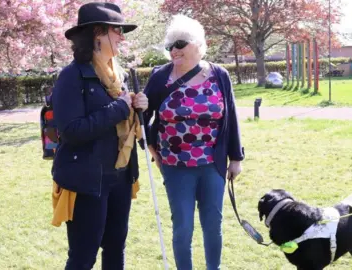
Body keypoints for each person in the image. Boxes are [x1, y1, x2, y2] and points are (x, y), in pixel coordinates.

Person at [142, 14, 245, 270]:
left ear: (198, 43)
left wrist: (236, 158)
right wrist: (154, 151)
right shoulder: (160, 77)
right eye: (169, 46)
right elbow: (141, 121)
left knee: (213, 224)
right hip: (175, 165)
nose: (173, 51)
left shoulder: (219, 75)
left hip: (213, 164)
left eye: (179, 44)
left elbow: (230, 116)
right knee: (183, 226)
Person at [51, 3, 147, 269]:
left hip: (120, 176)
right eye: (117, 30)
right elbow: (71, 131)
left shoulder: (119, 76)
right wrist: (120, 108)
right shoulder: (72, 76)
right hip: (87, 181)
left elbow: (131, 126)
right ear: (97, 34)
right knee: (83, 256)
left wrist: (139, 108)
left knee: (116, 248)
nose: (122, 37)